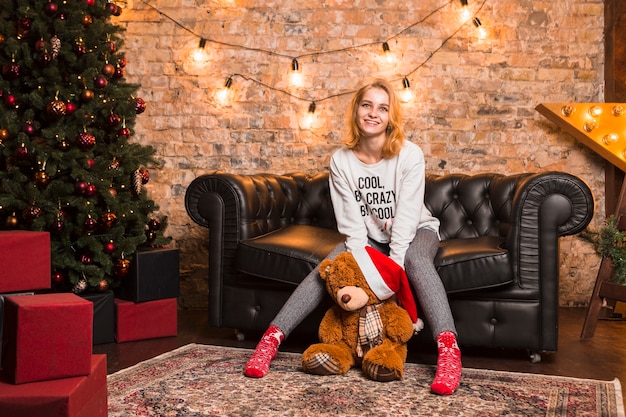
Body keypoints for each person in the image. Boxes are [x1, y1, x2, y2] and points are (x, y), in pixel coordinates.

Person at [243, 78, 462, 395]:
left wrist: (391, 275)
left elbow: (405, 220)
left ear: (390, 117)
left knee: (415, 260)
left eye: (382, 108)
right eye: (367, 105)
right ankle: (271, 340)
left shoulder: (409, 155)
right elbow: (353, 229)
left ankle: (449, 352)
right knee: (331, 266)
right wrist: (360, 264)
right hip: (369, 239)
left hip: (417, 230)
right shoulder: (341, 161)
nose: (374, 113)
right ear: (356, 110)